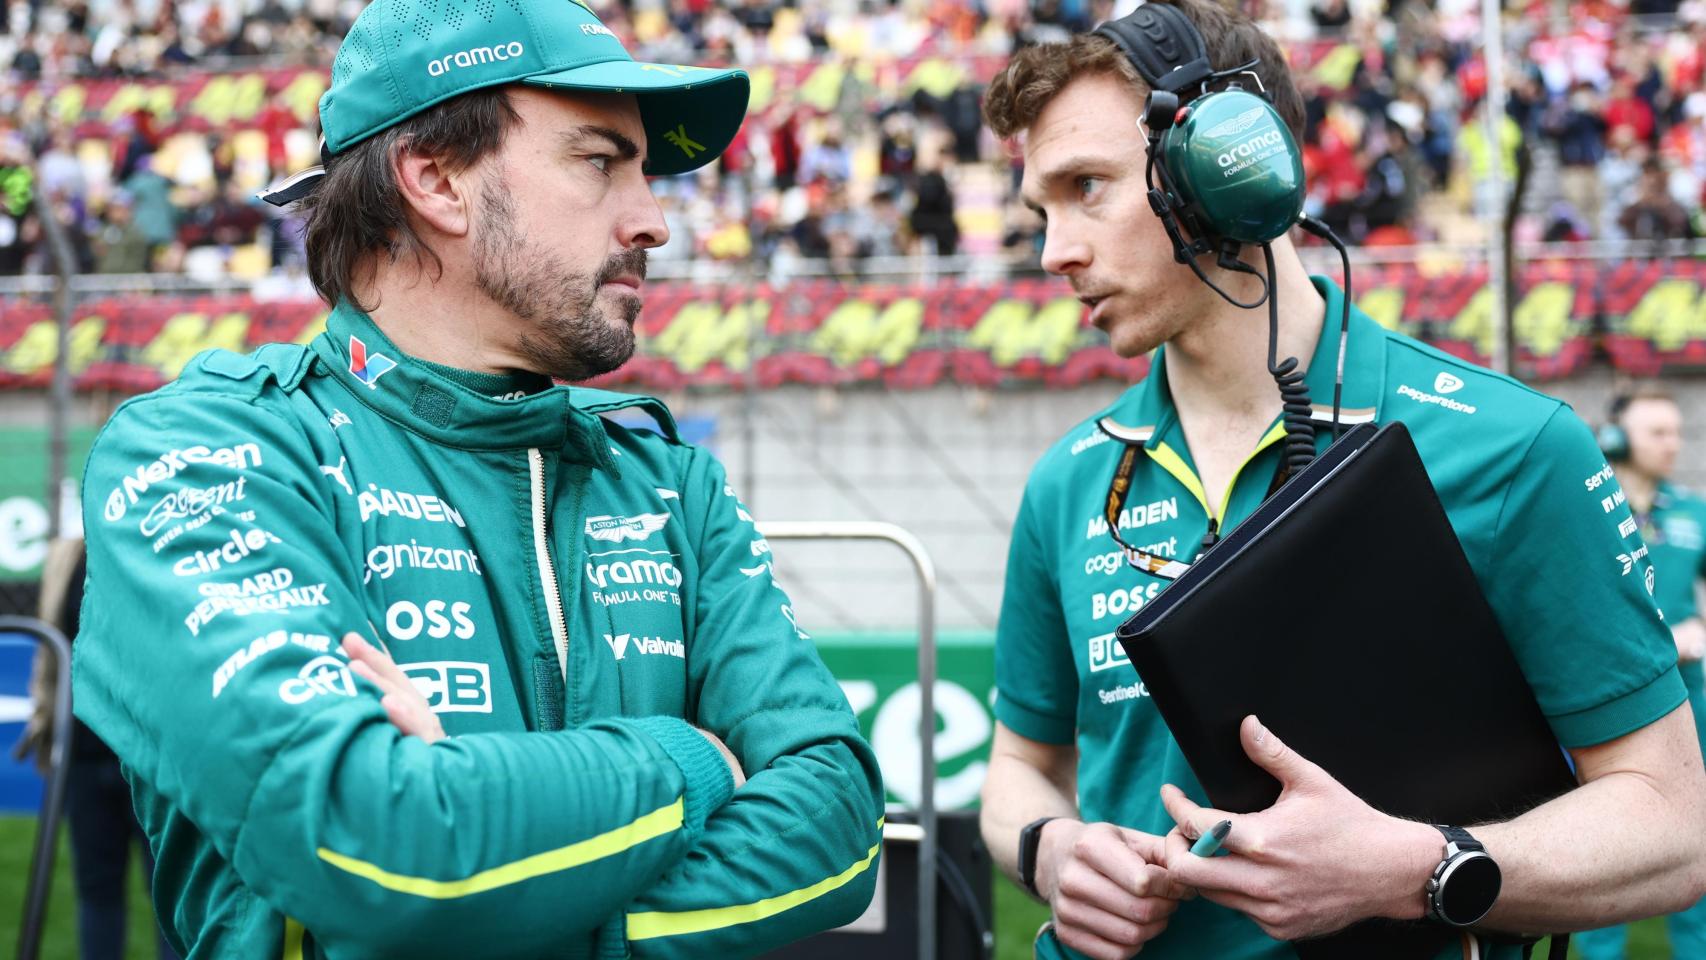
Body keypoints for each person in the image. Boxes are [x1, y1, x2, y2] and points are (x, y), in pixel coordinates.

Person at [70, 0, 884, 957]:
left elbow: (837, 819)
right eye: (598, 162)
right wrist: (696, 761)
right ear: (436, 180)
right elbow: (369, 840)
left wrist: (488, 873)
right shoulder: (207, 450)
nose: (653, 220)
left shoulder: (668, 481)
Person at [976, 2, 1706, 959]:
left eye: (1088, 188)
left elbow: (1675, 827)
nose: (1053, 251)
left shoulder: (1515, 448)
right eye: (1042, 209)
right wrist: (1054, 847)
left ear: (1226, 171)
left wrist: (1419, 868)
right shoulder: (1066, 482)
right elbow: (1018, 769)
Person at [1577, 386, 1706, 960]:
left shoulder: (1692, 510)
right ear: (1616, 438)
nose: (1672, 444)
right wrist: (1663, 644)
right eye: (1658, 432)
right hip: (1613, 701)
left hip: (1693, 701)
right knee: (1605, 847)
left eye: (1676, 431)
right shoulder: (1584, 510)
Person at [17, 538, 179, 960]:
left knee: (170, 895)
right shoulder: (66, 556)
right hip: (84, 756)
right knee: (96, 888)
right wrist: (43, 715)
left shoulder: (157, 547)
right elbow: (51, 647)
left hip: (152, 761)